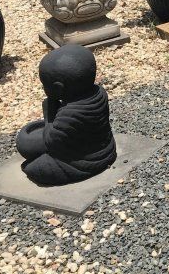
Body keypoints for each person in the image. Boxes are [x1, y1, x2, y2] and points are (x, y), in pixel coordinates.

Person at [16, 45, 116, 185]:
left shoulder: (70, 113)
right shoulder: (99, 93)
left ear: (58, 88)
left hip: (81, 161)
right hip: (106, 149)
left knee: (30, 155)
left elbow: (51, 142)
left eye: (44, 85)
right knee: (32, 144)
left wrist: (49, 113)